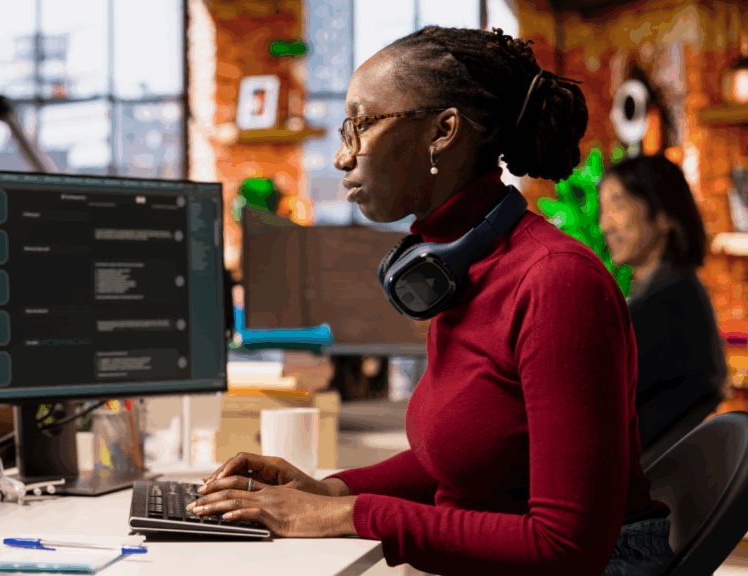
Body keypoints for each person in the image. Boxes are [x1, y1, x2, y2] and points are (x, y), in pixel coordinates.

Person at [187, 26, 675, 576]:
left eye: (361, 125)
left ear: (443, 131)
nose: (343, 157)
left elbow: (565, 546)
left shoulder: (556, 283)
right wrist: (324, 490)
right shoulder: (458, 265)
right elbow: (462, 461)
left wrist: (350, 513)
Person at [599, 155, 728, 453]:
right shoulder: (674, 291)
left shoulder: (670, 304)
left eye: (618, 205)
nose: (606, 224)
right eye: (604, 209)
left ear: (663, 216)